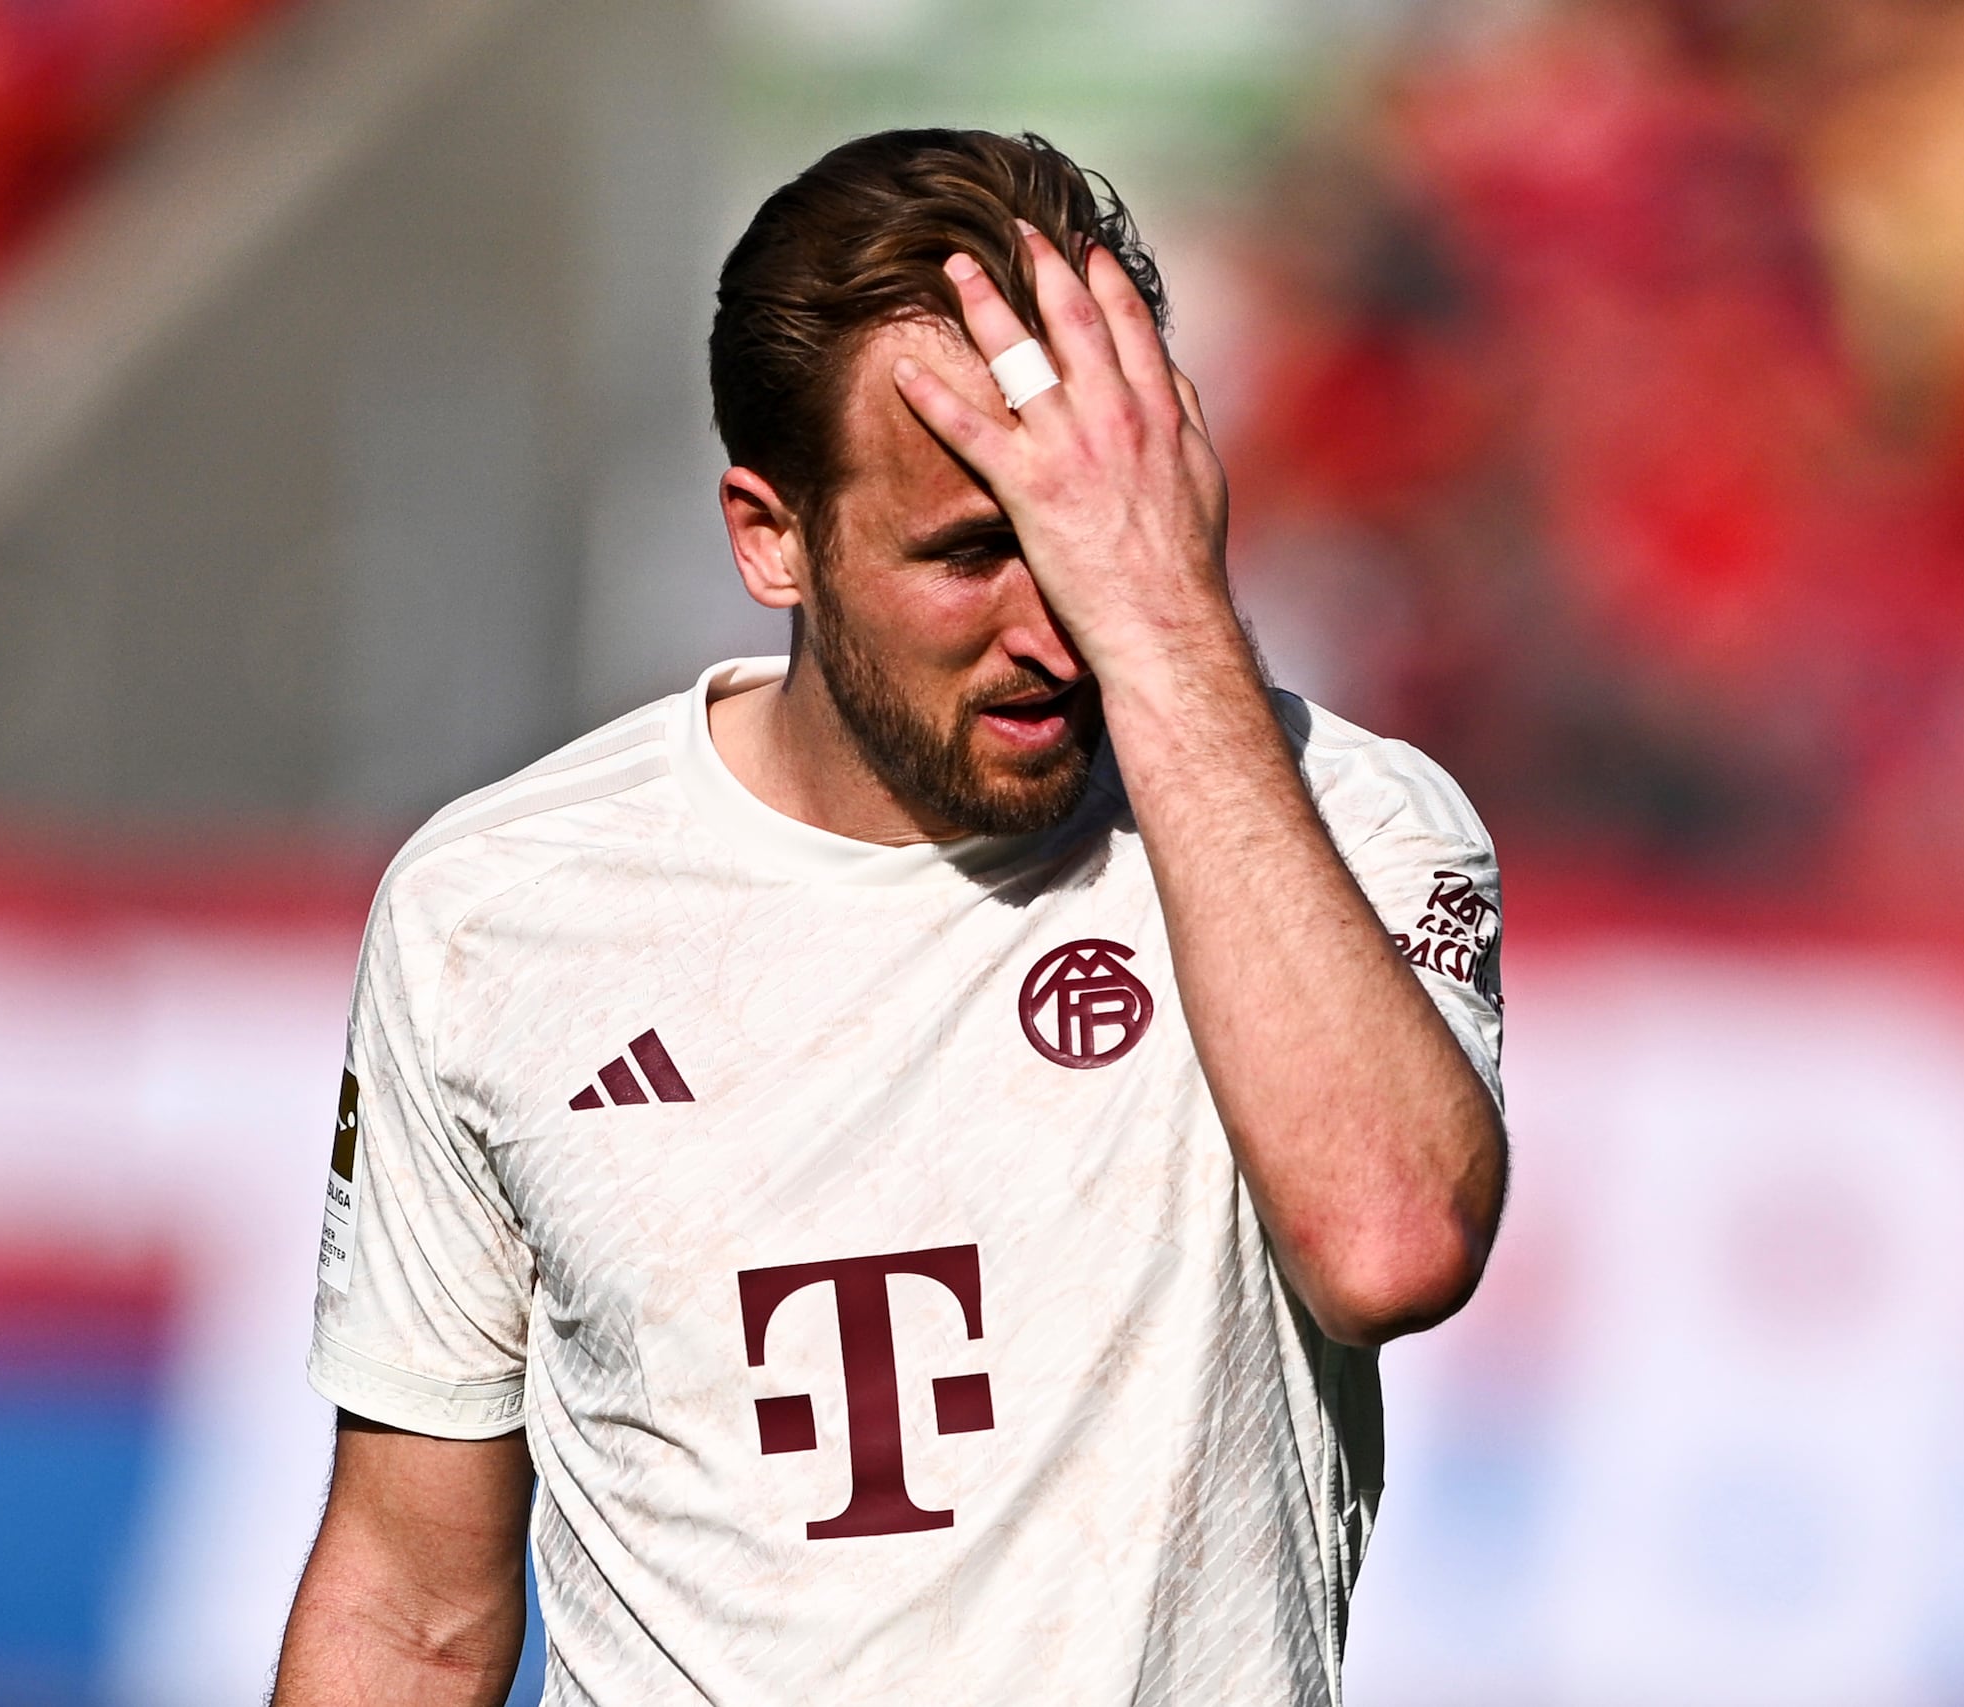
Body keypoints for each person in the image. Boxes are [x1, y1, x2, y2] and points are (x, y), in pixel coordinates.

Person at [272, 129, 1506, 1707]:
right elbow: (411, 1608)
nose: (1053, 629)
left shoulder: (1341, 824)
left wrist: (1169, 617)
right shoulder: (496, 913)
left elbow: (1391, 1242)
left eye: (1087, 539)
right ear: (770, 536)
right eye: (972, 553)